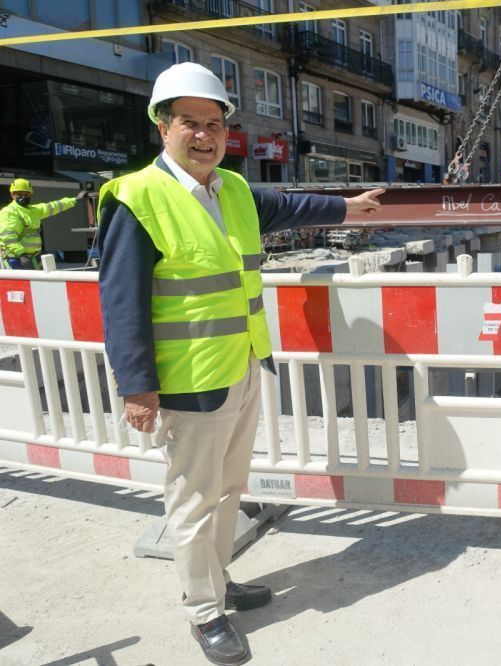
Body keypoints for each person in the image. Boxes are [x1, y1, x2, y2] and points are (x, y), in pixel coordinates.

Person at [96, 62, 384, 665]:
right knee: (194, 500)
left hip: (242, 366)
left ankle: (219, 583)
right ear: (162, 128)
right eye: (189, 124)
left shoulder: (231, 191)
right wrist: (137, 387)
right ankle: (203, 612)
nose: (204, 135)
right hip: (187, 383)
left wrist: (348, 208)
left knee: (228, 491)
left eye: (214, 124)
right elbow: (121, 303)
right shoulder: (137, 198)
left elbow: (290, 204)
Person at [1, 178, 87, 268]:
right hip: (16, 259)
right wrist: (21, 254)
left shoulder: (34, 210)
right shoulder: (9, 212)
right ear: (12, 195)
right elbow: (9, 238)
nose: (23, 197)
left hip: (33, 257)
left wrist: (75, 200)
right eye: (19, 194)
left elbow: (54, 206)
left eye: (26, 194)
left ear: (30, 194)